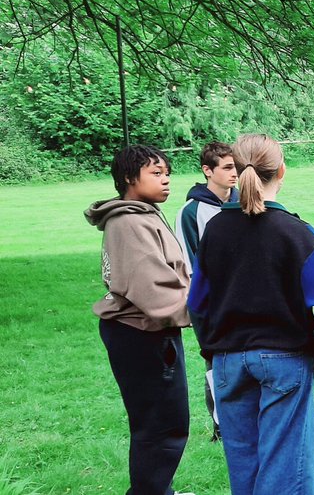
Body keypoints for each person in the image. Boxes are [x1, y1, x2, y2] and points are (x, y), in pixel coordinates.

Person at [188, 134, 314, 495]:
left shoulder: (214, 231)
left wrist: (211, 349)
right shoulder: (297, 233)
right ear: (281, 171)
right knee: (285, 468)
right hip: (283, 358)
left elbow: (197, 303)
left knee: (243, 463)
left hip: (228, 359)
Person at [85, 144, 192, 495]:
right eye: (156, 173)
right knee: (161, 426)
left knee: (162, 423)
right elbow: (153, 290)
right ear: (130, 178)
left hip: (144, 331)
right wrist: (205, 314)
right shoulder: (129, 222)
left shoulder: (140, 214)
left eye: (167, 173)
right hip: (142, 333)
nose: (166, 180)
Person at [175, 140, 239, 442]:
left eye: (236, 166)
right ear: (207, 170)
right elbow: (187, 266)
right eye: (227, 167)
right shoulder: (191, 212)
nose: (234, 173)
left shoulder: (243, 201)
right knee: (217, 363)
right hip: (212, 305)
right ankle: (221, 427)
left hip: (246, 300)